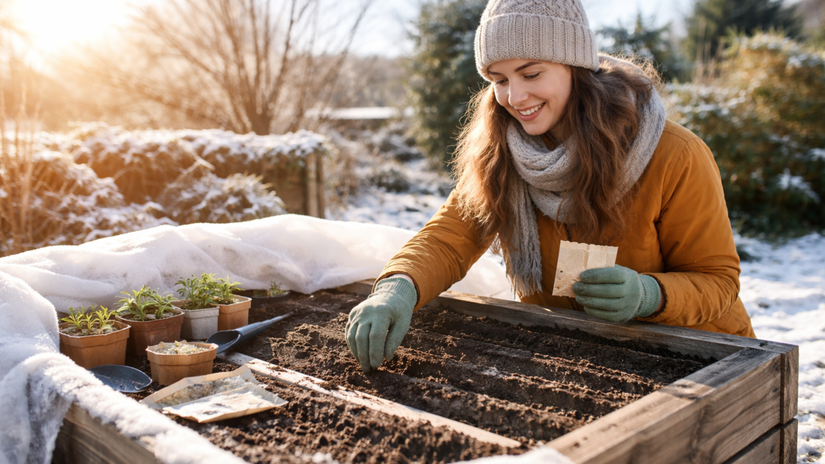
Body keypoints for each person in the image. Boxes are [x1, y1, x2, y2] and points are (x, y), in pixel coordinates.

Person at [345, 0, 756, 373]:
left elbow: (717, 281)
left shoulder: (675, 155)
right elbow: (450, 238)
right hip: (581, 360)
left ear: (575, 66)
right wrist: (398, 287)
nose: (514, 96)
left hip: (702, 359)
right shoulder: (501, 153)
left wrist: (650, 294)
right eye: (498, 78)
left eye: (531, 73)